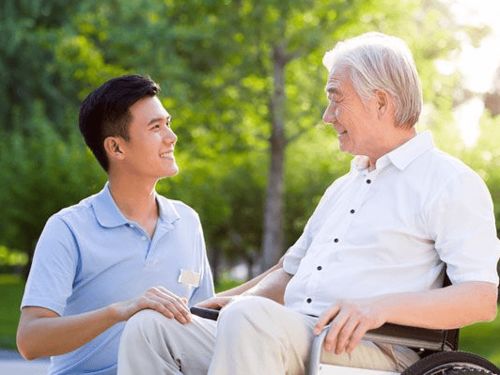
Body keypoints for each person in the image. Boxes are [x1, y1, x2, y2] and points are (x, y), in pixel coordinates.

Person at [117, 33, 500, 374]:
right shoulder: (344, 186)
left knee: (250, 320)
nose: (326, 117)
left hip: (373, 348)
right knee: (152, 327)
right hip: (284, 333)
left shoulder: (449, 182)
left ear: (380, 102)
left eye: (336, 101)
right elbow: (288, 273)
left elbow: (481, 300)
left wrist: (379, 307)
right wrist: (225, 301)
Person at [16, 75, 214, 375]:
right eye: (155, 127)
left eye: (168, 123)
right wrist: (118, 312)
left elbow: (203, 322)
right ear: (116, 148)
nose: (171, 136)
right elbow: (30, 340)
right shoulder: (68, 229)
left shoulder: (187, 221)